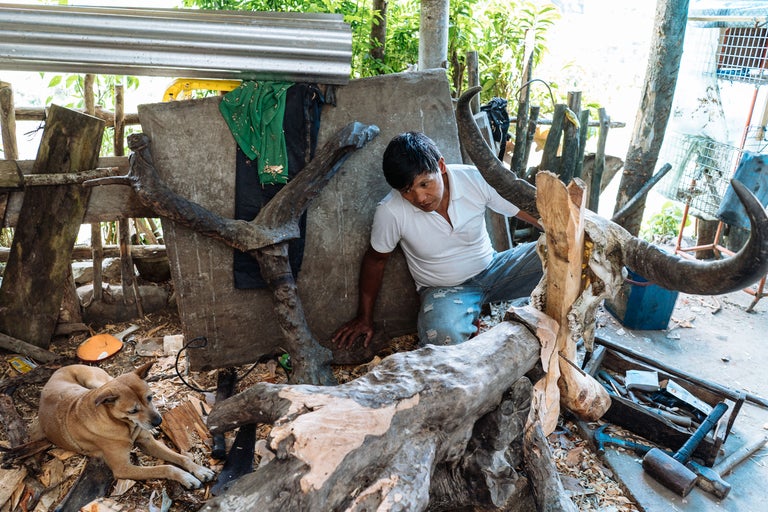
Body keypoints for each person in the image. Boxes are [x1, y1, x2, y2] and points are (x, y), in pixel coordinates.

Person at [333, 131, 543, 349]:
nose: (420, 198)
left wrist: (570, 234)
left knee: (568, 255)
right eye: (407, 191)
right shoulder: (391, 211)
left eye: (425, 184)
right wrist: (364, 318)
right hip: (445, 290)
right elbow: (375, 260)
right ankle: (465, 322)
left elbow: (528, 212)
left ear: (441, 166)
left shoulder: (475, 179)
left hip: (495, 269)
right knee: (442, 336)